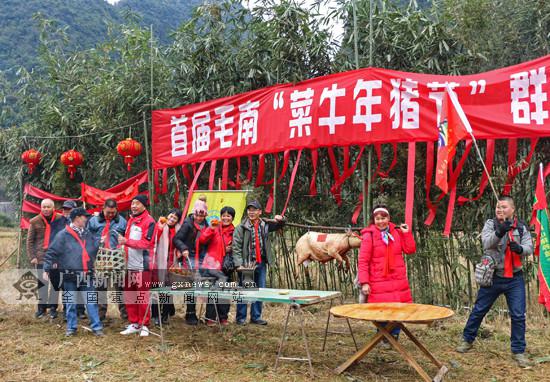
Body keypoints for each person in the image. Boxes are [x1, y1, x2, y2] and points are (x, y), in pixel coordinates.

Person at [456, 196, 533, 368]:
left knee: (518, 315)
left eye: (504, 207)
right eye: (498, 207)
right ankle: (467, 340)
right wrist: (499, 232)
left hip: (515, 277)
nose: (500, 210)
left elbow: (529, 247)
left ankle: (518, 351)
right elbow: (486, 243)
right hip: (494, 276)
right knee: (479, 309)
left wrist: (520, 249)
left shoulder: (520, 227)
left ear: (512, 210)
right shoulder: (491, 224)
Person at [357, 205, 416, 344]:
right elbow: (363, 261)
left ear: (388, 218)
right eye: (377, 219)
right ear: (373, 220)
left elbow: (410, 250)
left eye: (383, 218)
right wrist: (364, 282)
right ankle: (382, 334)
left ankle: (393, 334)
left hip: (397, 279)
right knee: (380, 309)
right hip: (378, 280)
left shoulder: (397, 232)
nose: (380, 221)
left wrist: (406, 234)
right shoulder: (369, 235)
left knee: (398, 308)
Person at [43, 208, 104, 337]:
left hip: (86, 273)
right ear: (77, 218)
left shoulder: (87, 233)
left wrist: (100, 242)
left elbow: (92, 249)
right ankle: (71, 328)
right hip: (69, 275)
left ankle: (97, 328)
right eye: (84, 217)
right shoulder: (63, 235)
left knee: (91, 301)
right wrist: (47, 269)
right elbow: (51, 252)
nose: (86, 219)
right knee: (70, 303)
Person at [233, 200, 285, 325]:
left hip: (261, 262)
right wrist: (239, 264)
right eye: (249, 210)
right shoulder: (241, 227)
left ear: (259, 212)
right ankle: (240, 318)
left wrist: (282, 218)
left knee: (259, 289)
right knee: (244, 290)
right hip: (247, 264)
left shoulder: (265, 224)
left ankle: (256, 317)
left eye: (254, 210)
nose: (251, 212)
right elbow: (236, 247)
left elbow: (280, 224)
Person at [118, 195, 156, 337]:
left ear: (144, 205)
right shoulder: (131, 220)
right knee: (130, 294)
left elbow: (147, 244)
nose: (133, 206)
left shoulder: (150, 222)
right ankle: (134, 323)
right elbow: (126, 241)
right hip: (129, 265)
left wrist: (126, 241)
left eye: (137, 203)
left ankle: (145, 324)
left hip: (143, 265)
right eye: (132, 203)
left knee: (142, 296)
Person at [87, 198, 128, 321]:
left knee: (120, 287)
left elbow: (127, 238)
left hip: (117, 258)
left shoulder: (122, 222)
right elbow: (87, 238)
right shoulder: (93, 221)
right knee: (100, 287)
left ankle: (125, 315)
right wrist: (97, 240)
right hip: (100, 258)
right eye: (108, 212)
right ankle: (100, 315)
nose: (110, 215)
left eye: (113, 212)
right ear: (103, 209)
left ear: (116, 210)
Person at [26, 198, 64, 319]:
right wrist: (32, 256)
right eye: (44, 207)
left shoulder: (60, 219)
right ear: (41, 208)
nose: (46, 209)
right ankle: (41, 308)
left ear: (53, 208)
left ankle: (53, 308)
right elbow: (30, 241)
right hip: (41, 257)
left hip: (55, 258)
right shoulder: (34, 221)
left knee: (55, 284)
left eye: (48, 207)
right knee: (42, 284)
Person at [172, 198, 208, 325]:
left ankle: (199, 314)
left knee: (200, 285)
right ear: (194, 213)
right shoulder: (188, 223)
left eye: (202, 215)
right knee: (191, 286)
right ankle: (190, 314)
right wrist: (183, 248)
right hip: (189, 257)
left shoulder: (207, 224)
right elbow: (176, 239)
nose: (199, 218)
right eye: (197, 215)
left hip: (201, 258)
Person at [198, 206, 236, 326]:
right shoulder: (214, 227)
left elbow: (239, 247)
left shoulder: (235, 231)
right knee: (212, 292)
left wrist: (232, 249)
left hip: (226, 266)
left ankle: (223, 318)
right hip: (211, 265)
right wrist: (211, 229)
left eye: (228, 216)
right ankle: (210, 318)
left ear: (232, 218)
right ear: (220, 217)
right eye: (223, 215)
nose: (225, 218)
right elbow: (202, 240)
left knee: (224, 293)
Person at [151, 208, 182, 326]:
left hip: (171, 263)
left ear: (177, 221)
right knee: (156, 289)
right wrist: (159, 226)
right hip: (158, 262)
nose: (172, 219)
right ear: (167, 215)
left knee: (168, 290)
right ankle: (155, 315)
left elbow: (179, 242)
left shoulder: (178, 230)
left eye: (175, 218)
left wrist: (179, 251)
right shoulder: (159, 225)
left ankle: (164, 315)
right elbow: (153, 239)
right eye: (171, 216)